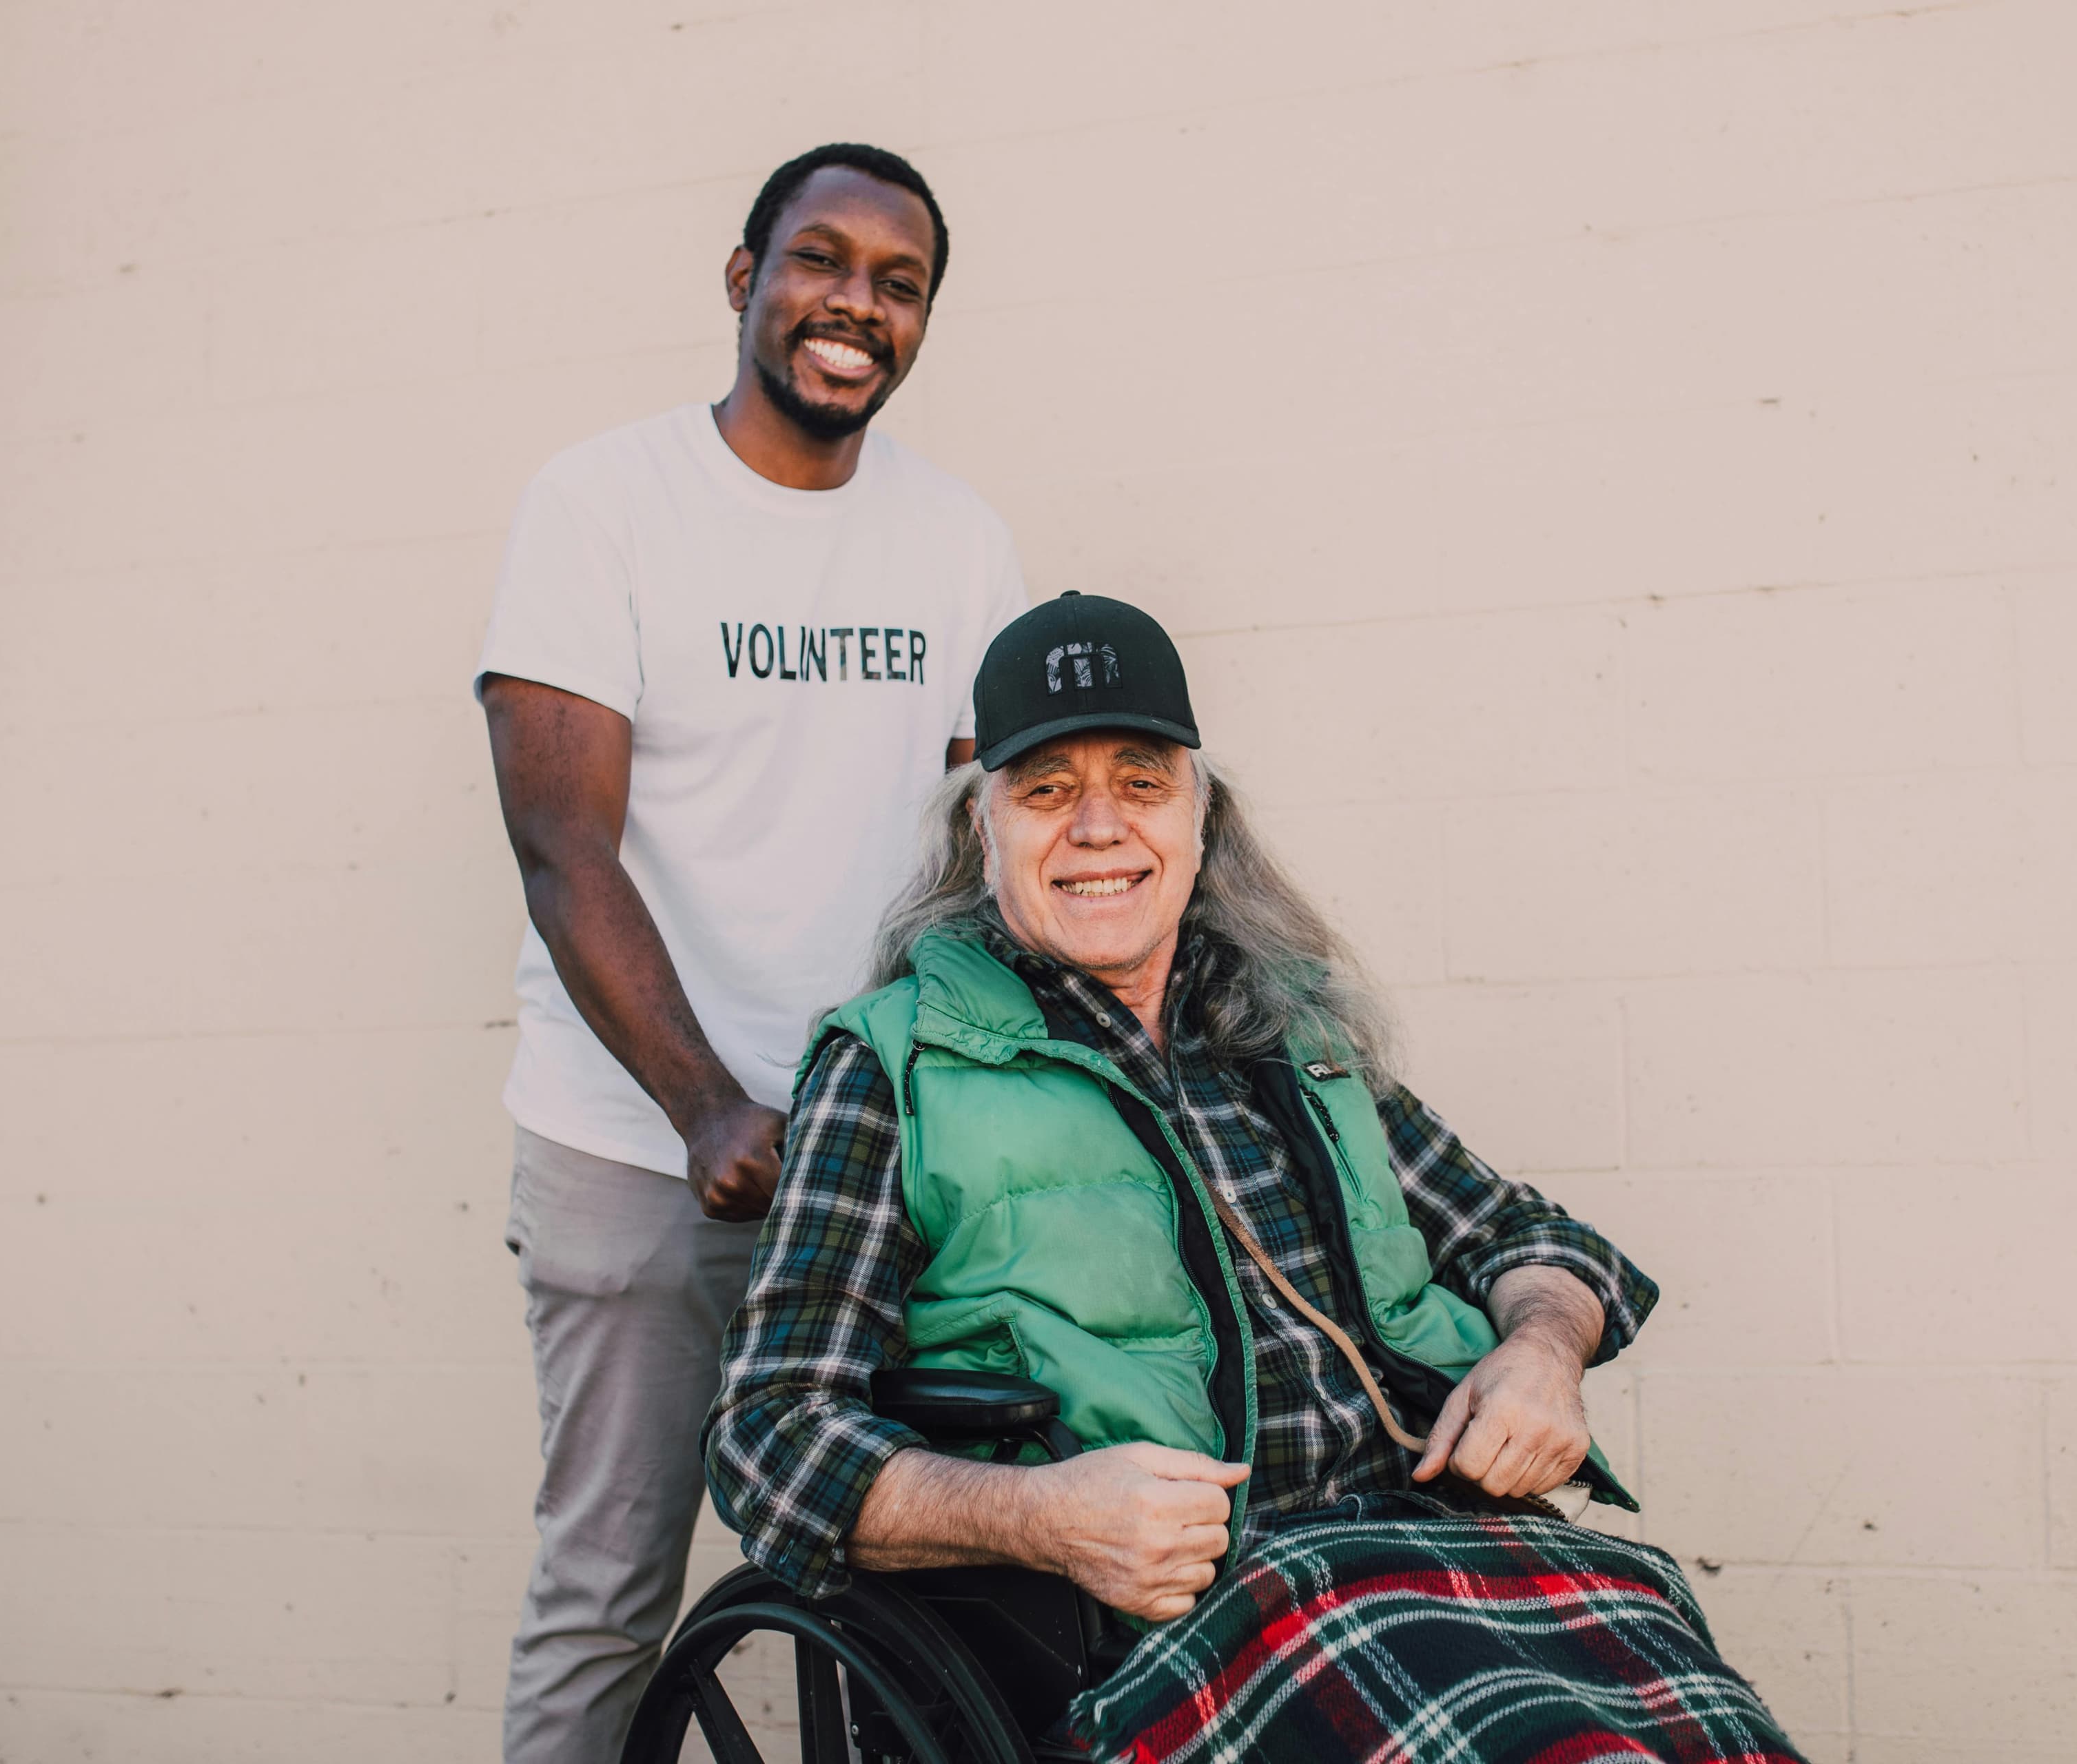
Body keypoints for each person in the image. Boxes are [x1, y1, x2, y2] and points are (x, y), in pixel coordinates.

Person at [706, 595, 1807, 1761]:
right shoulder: (894, 1069)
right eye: (1044, 789)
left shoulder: (1291, 1032)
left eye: (1141, 781)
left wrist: (1543, 1352)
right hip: (1194, 1624)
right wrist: (1041, 1518)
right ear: (982, 833)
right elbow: (768, 1438)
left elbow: (1539, 1243)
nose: (1096, 827)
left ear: (1201, 817)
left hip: (1450, 1550)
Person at [474, 142, 1028, 1763]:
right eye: (822, 260)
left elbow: (978, 843)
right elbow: (561, 847)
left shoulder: (958, 537)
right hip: (641, 1141)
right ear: (745, 278)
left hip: (877, 1160)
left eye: (899, 281)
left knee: (896, 1580)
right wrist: (708, 1106)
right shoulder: (604, 502)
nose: (855, 304)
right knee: (609, 1589)